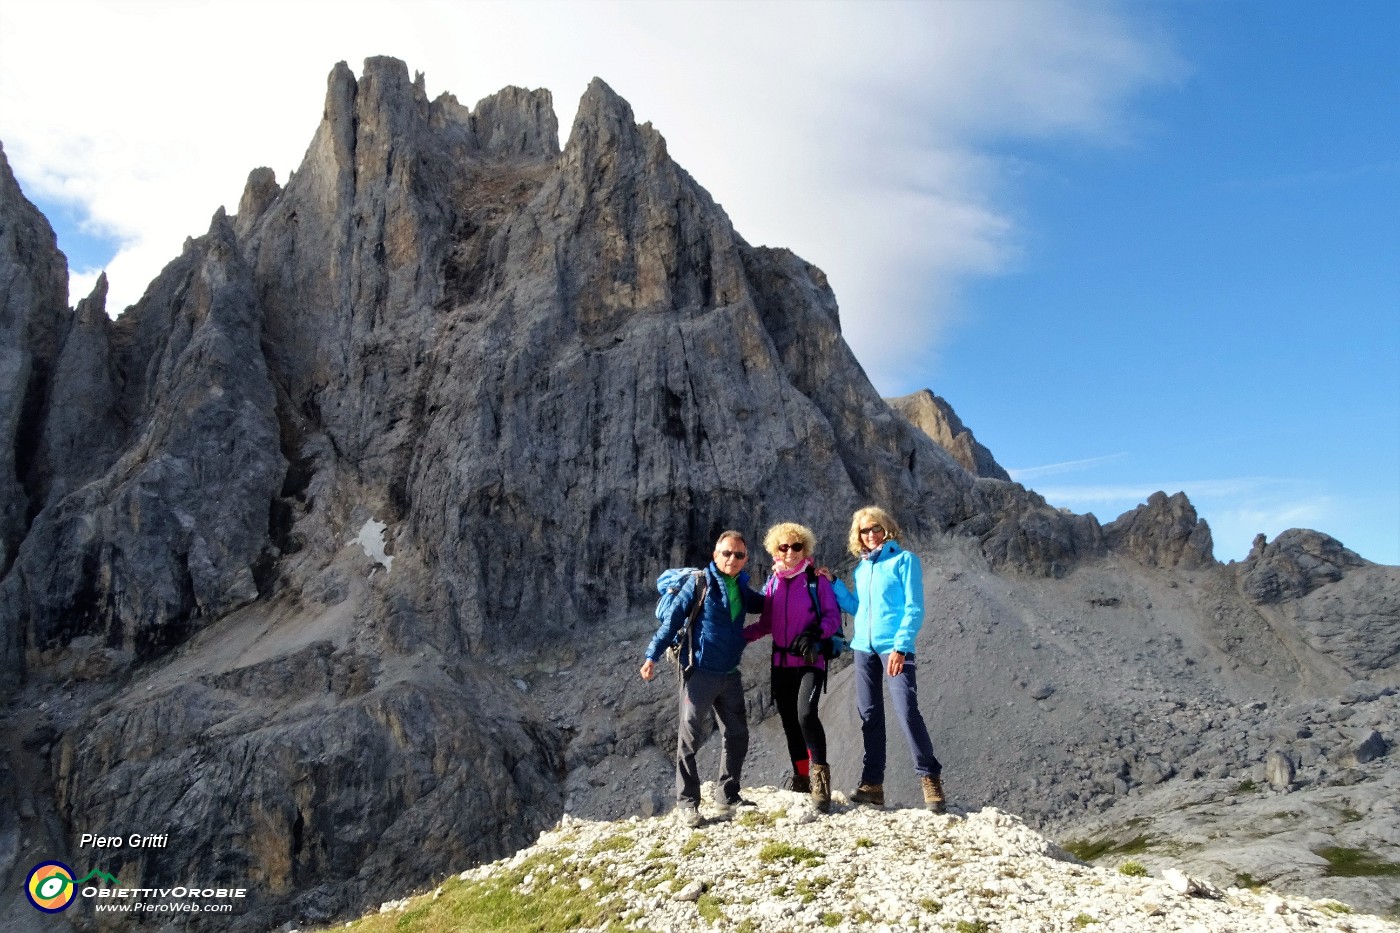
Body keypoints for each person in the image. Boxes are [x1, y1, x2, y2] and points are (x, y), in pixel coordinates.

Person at [822, 506, 946, 813]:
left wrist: (901, 647)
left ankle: (930, 778)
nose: (869, 534)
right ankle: (873, 785)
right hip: (863, 648)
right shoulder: (861, 569)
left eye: (874, 528)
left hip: (894, 647)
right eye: (863, 531)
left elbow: (914, 607)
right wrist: (835, 583)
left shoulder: (905, 561)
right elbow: (857, 607)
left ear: (886, 528)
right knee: (869, 714)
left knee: (906, 710)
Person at [641, 530, 765, 827]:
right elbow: (671, 623)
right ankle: (687, 803)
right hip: (699, 672)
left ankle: (728, 795)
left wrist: (799, 581)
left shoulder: (742, 588)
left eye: (738, 555)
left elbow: (768, 604)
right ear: (715, 555)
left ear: (746, 559)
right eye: (726, 553)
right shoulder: (700, 584)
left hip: (729, 673)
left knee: (737, 735)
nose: (732, 559)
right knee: (690, 737)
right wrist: (651, 656)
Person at [743, 522, 843, 812]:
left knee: (806, 714)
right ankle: (801, 778)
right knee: (789, 722)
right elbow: (765, 625)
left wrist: (815, 634)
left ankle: (820, 779)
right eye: (783, 547)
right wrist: (736, 639)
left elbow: (832, 618)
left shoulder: (816, 580)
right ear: (774, 550)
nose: (790, 552)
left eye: (796, 546)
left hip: (811, 659)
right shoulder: (772, 584)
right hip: (781, 662)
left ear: (805, 549)